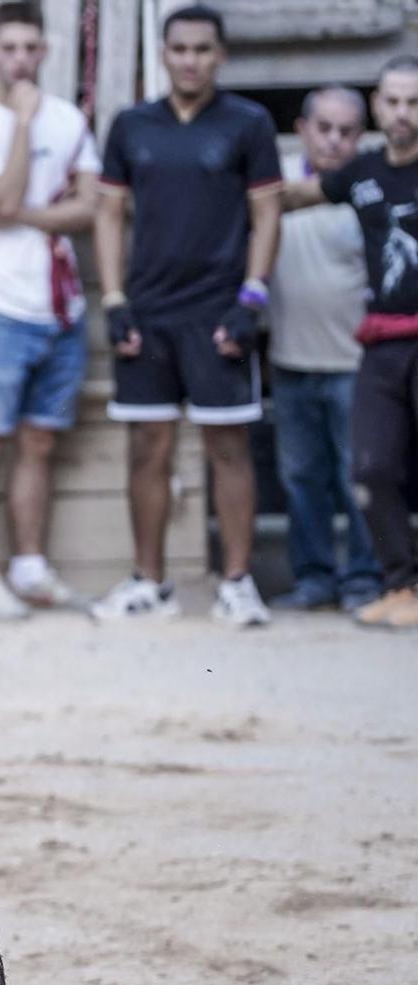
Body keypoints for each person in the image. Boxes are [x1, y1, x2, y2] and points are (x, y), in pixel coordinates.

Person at [92, 3, 279, 627]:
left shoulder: (248, 124)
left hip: (220, 310)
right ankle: (149, 582)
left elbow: (268, 215)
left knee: (228, 445)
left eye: (203, 49)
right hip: (148, 310)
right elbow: (109, 215)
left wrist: (252, 297)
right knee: (147, 446)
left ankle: (237, 583)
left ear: (219, 56)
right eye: (180, 49)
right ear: (164, 54)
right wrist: (115, 300)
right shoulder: (131, 125)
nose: (191, 60)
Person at [0, 2, 100, 619]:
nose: (20, 59)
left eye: (30, 48)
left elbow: (89, 207)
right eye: (9, 48)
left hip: (61, 305)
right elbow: (1, 193)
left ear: (45, 51)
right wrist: (23, 126)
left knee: (40, 442)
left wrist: (19, 215)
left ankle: (30, 566)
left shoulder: (69, 118)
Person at [284, 57, 418, 629]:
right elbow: (292, 197)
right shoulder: (359, 175)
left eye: (414, 102)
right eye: (392, 101)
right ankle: (404, 586)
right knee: (371, 466)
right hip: (382, 344)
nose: (403, 114)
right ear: (378, 105)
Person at [267, 87, 382, 613]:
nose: (334, 140)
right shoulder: (273, 182)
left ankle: (364, 579)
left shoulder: (369, 188)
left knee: (357, 478)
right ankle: (314, 578)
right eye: (325, 128)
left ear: (361, 135)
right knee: (300, 478)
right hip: (289, 358)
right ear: (303, 127)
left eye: (346, 131)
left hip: (355, 362)